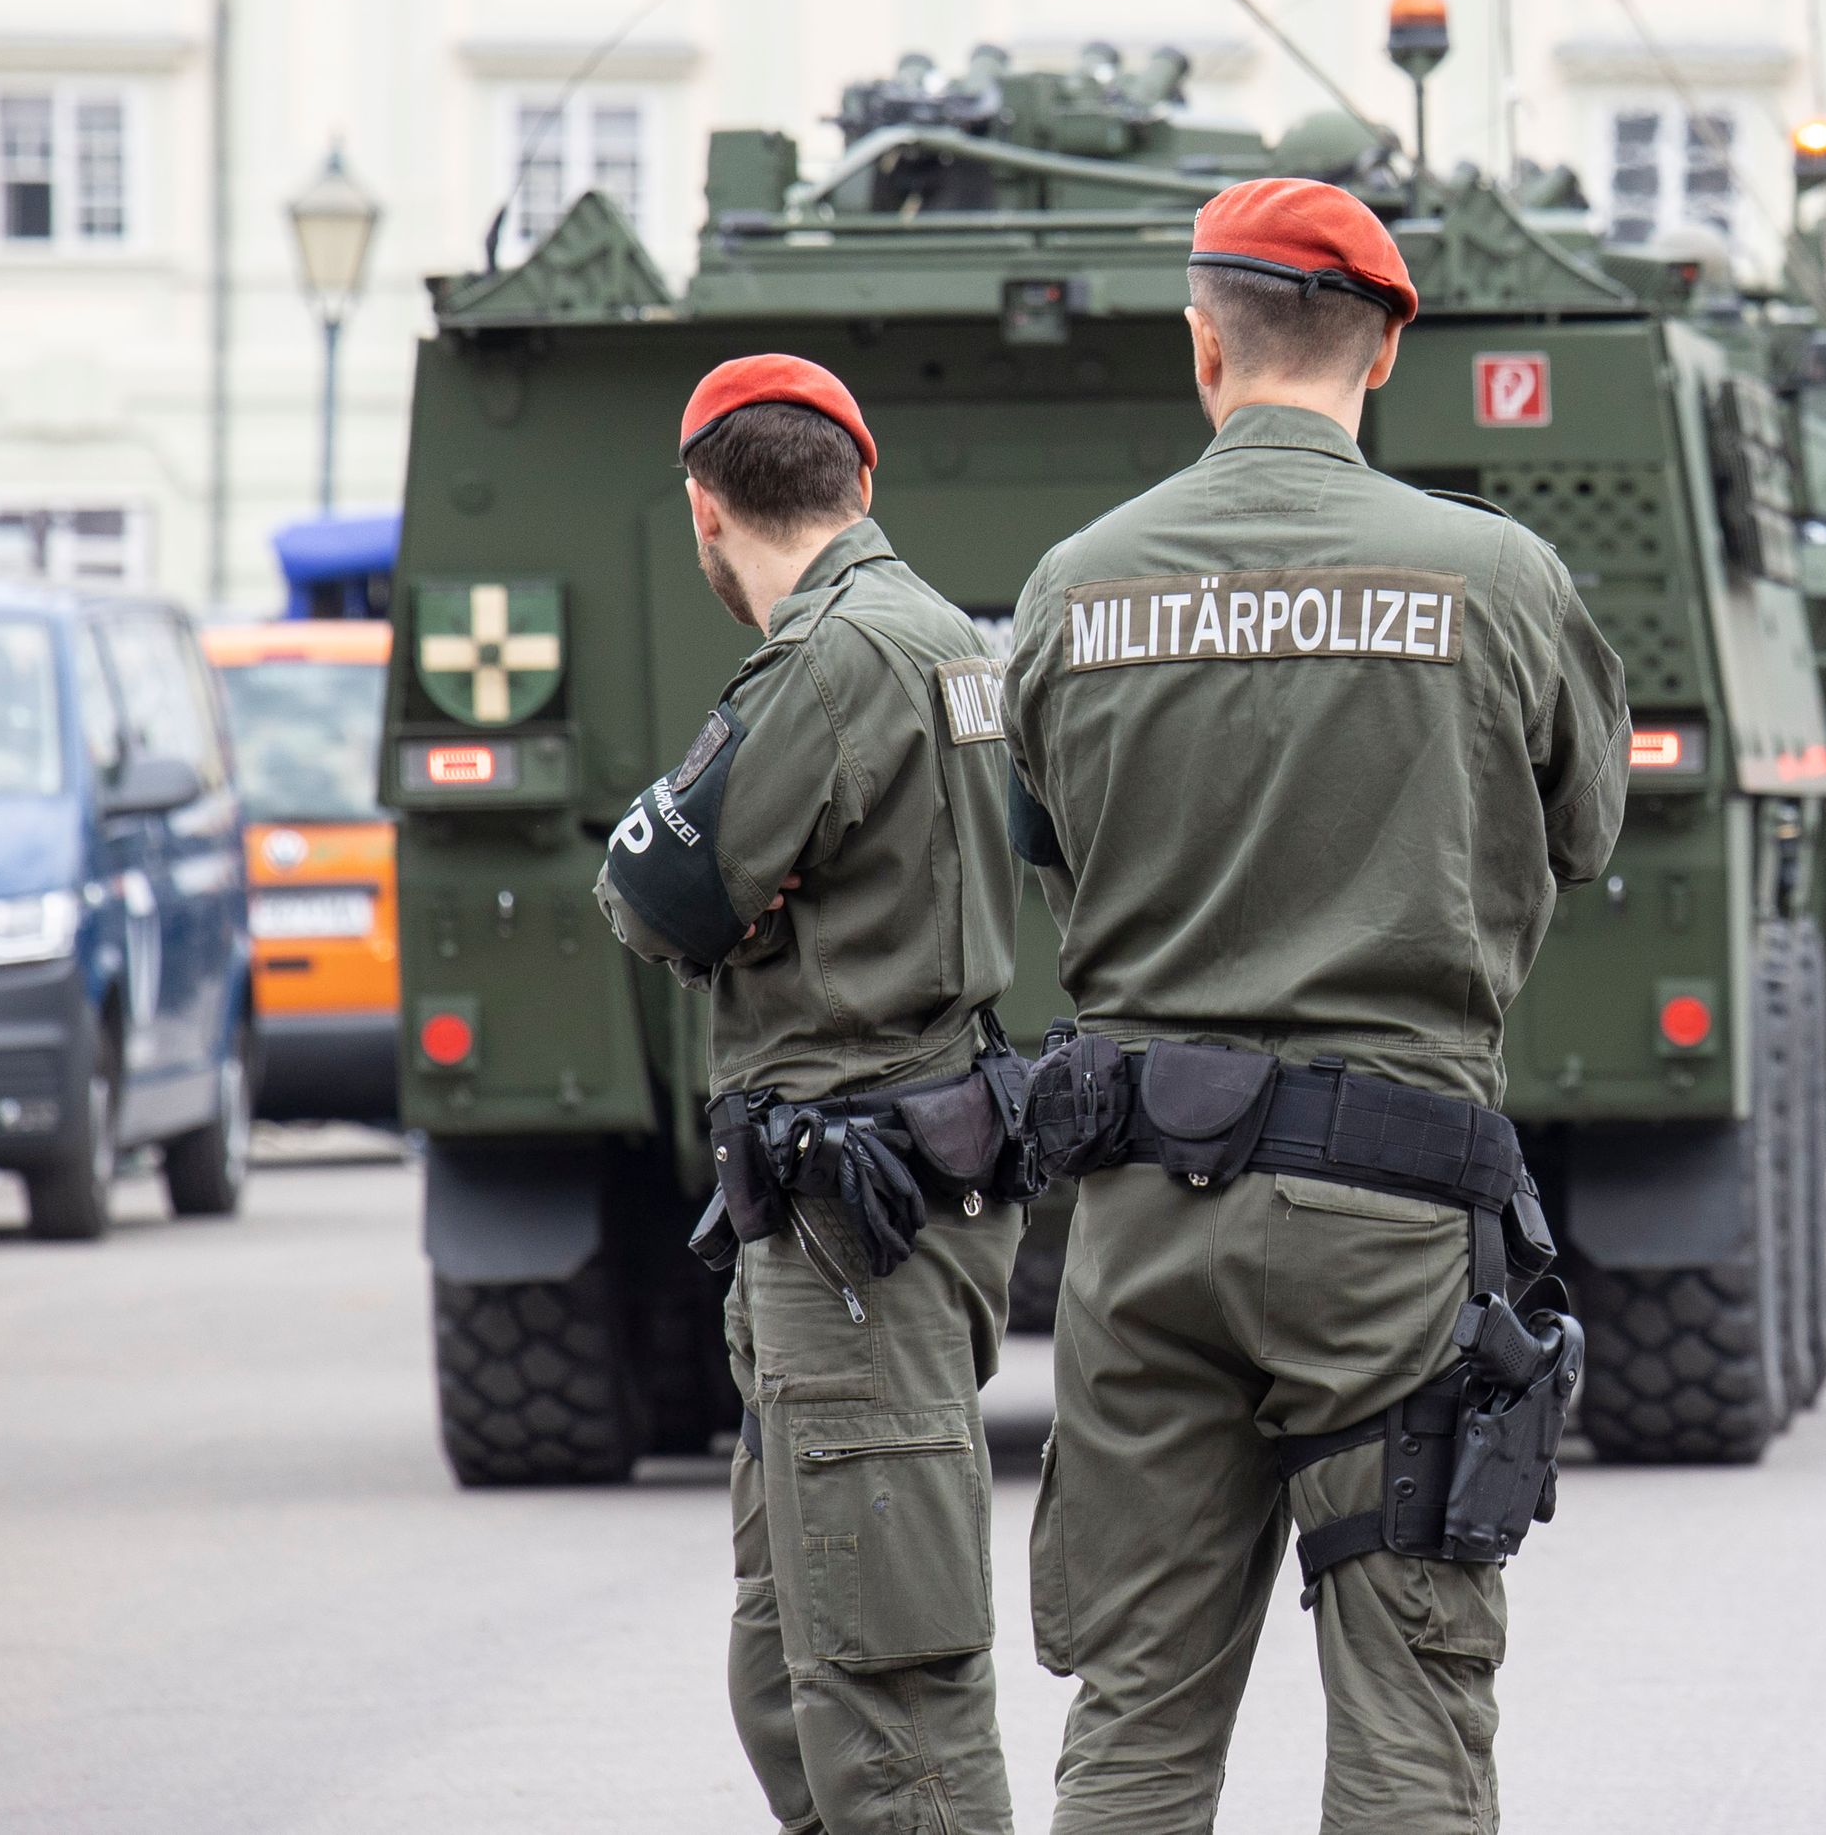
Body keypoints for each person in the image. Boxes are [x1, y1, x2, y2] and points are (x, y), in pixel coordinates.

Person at [1000, 177, 1630, 1834]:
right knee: (1411, 1696)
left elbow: (1047, 852)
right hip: (1387, 1215)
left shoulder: (1075, 587)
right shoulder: (1499, 577)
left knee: (1135, 1702)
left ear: (1202, 345)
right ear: (1386, 355)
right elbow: (1587, 828)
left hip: (1140, 1222)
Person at [591, 355, 1027, 1835]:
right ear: (864, 478)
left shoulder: (831, 656)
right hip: (883, 1191)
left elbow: (656, 894)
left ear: (704, 510)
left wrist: (754, 900)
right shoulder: (943, 631)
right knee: (801, 1650)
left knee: (884, 1668)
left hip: (859, 1220)